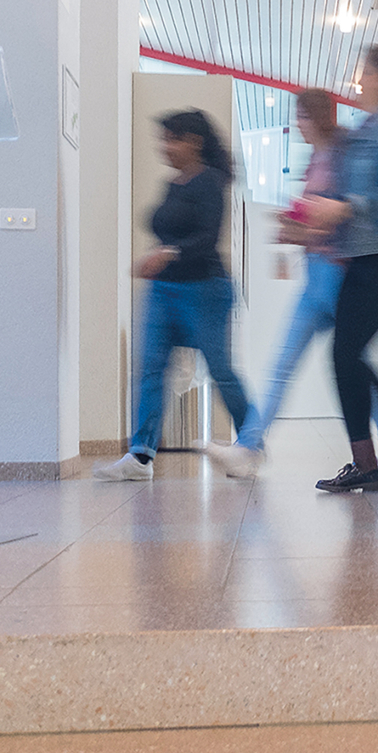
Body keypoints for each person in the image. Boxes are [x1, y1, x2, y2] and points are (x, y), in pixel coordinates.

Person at [210, 89, 378, 481]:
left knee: (357, 365)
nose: (297, 124)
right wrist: (294, 228)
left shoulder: (345, 154)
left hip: (338, 276)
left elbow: (345, 214)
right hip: (315, 276)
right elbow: (315, 216)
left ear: (318, 116)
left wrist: (307, 224)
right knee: (283, 363)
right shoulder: (314, 159)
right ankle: (249, 447)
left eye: (302, 116)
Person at [94, 110, 255, 481]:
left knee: (221, 371)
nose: (164, 147)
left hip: (206, 290)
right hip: (163, 291)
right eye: (163, 139)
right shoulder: (174, 184)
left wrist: (168, 253)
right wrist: (160, 257)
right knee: (150, 369)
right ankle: (140, 456)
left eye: (172, 139)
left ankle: (251, 444)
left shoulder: (211, 182)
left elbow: (207, 238)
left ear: (194, 142)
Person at [297, 45, 378, 493]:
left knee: (347, 353)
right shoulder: (367, 129)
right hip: (362, 257)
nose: (360, 79)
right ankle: (366, 465)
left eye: (367, 72)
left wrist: (346, 207)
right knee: (344, 355)